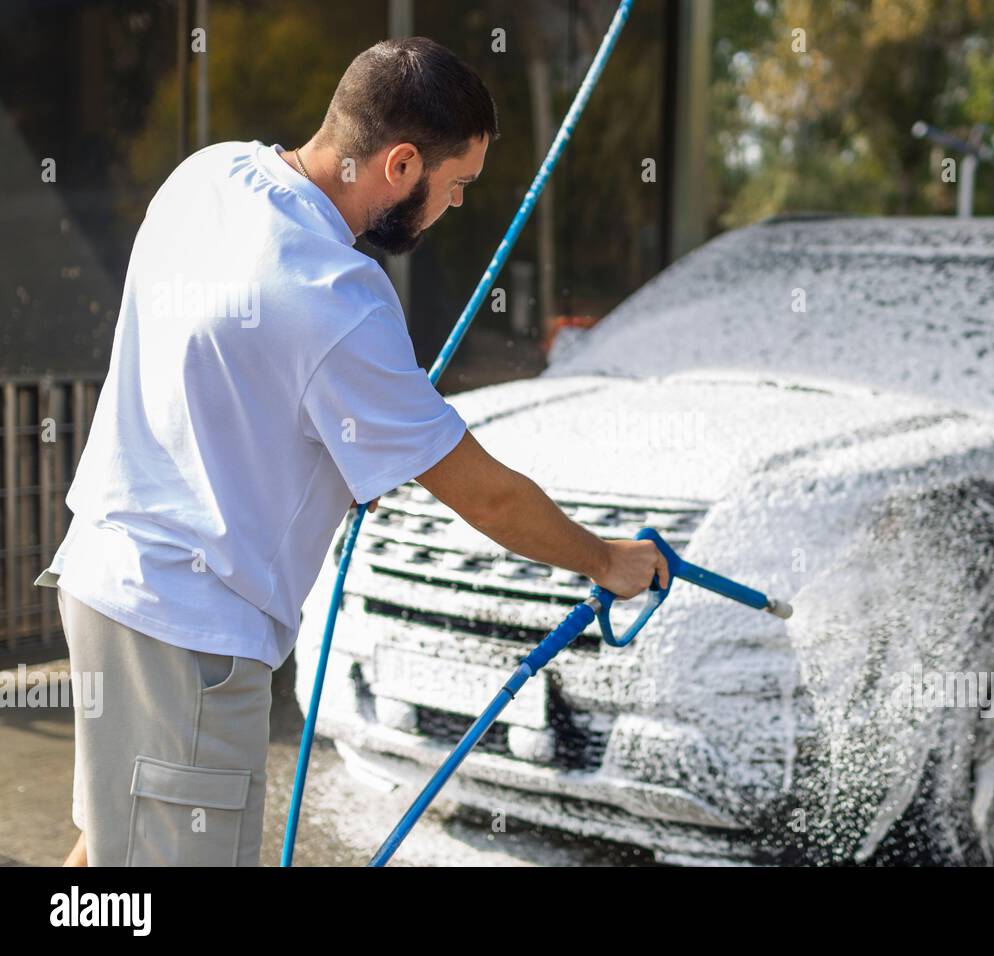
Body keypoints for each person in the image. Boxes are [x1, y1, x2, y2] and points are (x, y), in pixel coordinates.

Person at [38, 36, 668, 867]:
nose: (456, 205)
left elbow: (220, 374)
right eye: (457, 184)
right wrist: (606, 560)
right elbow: (487, 496)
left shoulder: (208, 175)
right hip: (187, 636)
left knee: (112, 852)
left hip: (98, 584)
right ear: (402, 164)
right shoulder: (338, 296)